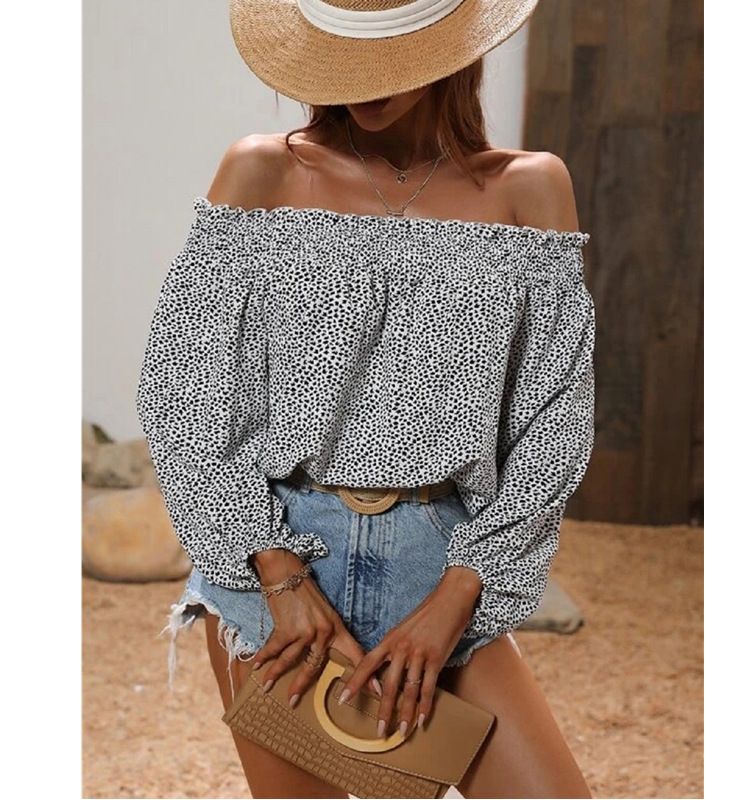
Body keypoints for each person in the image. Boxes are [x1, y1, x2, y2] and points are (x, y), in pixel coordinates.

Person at [136, 1, 596, 797]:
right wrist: (277, 576)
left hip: (444, 560)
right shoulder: (264, 171)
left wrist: (461, 591)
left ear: (449, 49)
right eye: (343, 58)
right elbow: (184, 395)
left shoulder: (529, 188)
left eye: (389, 58)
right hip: (276, 558)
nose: (363, 85)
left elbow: (554, 422)